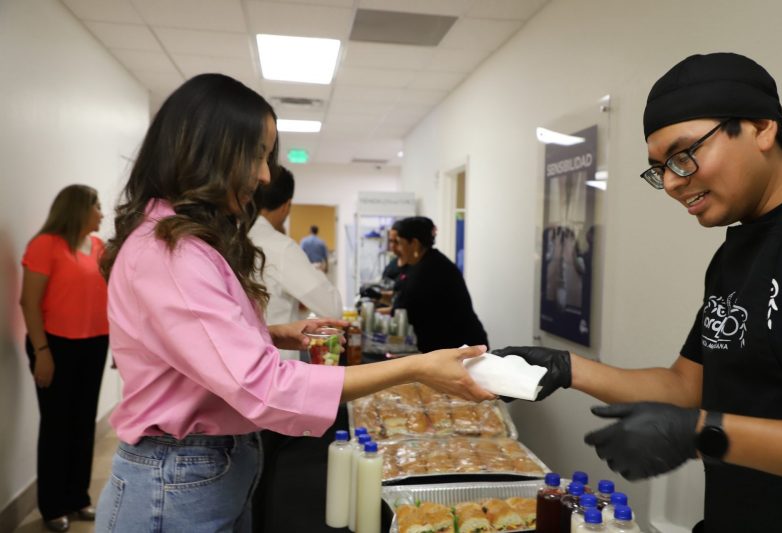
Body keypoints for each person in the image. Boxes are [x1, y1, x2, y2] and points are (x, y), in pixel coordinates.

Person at [94, 73, 493, 533]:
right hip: (179, 477)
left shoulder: (179, 244)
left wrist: (270, 334)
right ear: (209, 151)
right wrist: (415, 368)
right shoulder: (172, 252)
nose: (265, 175)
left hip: (201, 470)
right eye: (256, 155)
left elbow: (190, 343)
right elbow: (263, 387)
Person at [493, 53, 782, 532]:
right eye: (660, 168)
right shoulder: (735, 253)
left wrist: (700, 434)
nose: (673, 182)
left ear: (761, 128)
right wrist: (566, 368)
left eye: (683, 154)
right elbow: (688, 386)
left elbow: (698, 418)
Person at [19, 184, 108, 532]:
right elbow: (29, 303)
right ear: (79, 209)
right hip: (54, 346)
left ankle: (78, 497)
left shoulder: (98, 247)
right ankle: (53, 505)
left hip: (94, 343)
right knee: (57, 425)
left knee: (84, 423)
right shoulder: (45, 245)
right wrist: (42, 352)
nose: (102, 213)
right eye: (97, 206)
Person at [249, 166, 342, 360]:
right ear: (287, 205)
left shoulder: (231, 236)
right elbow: (332, 308)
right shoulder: (281, 247)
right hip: (275, 361)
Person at [392, 216, 489, 352]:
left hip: (461, 345)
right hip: (448, 344)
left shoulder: (430, 269)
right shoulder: (425, 263)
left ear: (414, 243)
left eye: (399, 243)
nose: (397, 249)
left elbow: (403, 308)